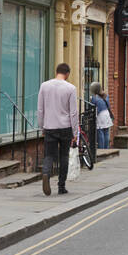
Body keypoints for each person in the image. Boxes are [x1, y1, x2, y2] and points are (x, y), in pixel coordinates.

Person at [37, 62, 79, 196]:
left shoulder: (44, 86)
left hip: (50, 126)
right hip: (65, 126)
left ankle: (46, 173)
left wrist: (41, 126)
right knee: (64, 156)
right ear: (67, 74)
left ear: (56, 72)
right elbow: (73, 112)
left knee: (49, 155)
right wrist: (75, 132)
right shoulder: (71, 88)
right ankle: (61, 187)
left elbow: (40, 109)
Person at [89, 81, 112, 150]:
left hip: (100, 115)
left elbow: (93, 107)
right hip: (106, 113)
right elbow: (108, 105)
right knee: (106, 132)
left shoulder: (94, 98)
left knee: (100, 132)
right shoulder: (105, 95)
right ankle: (106, 148)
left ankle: (101, 149)